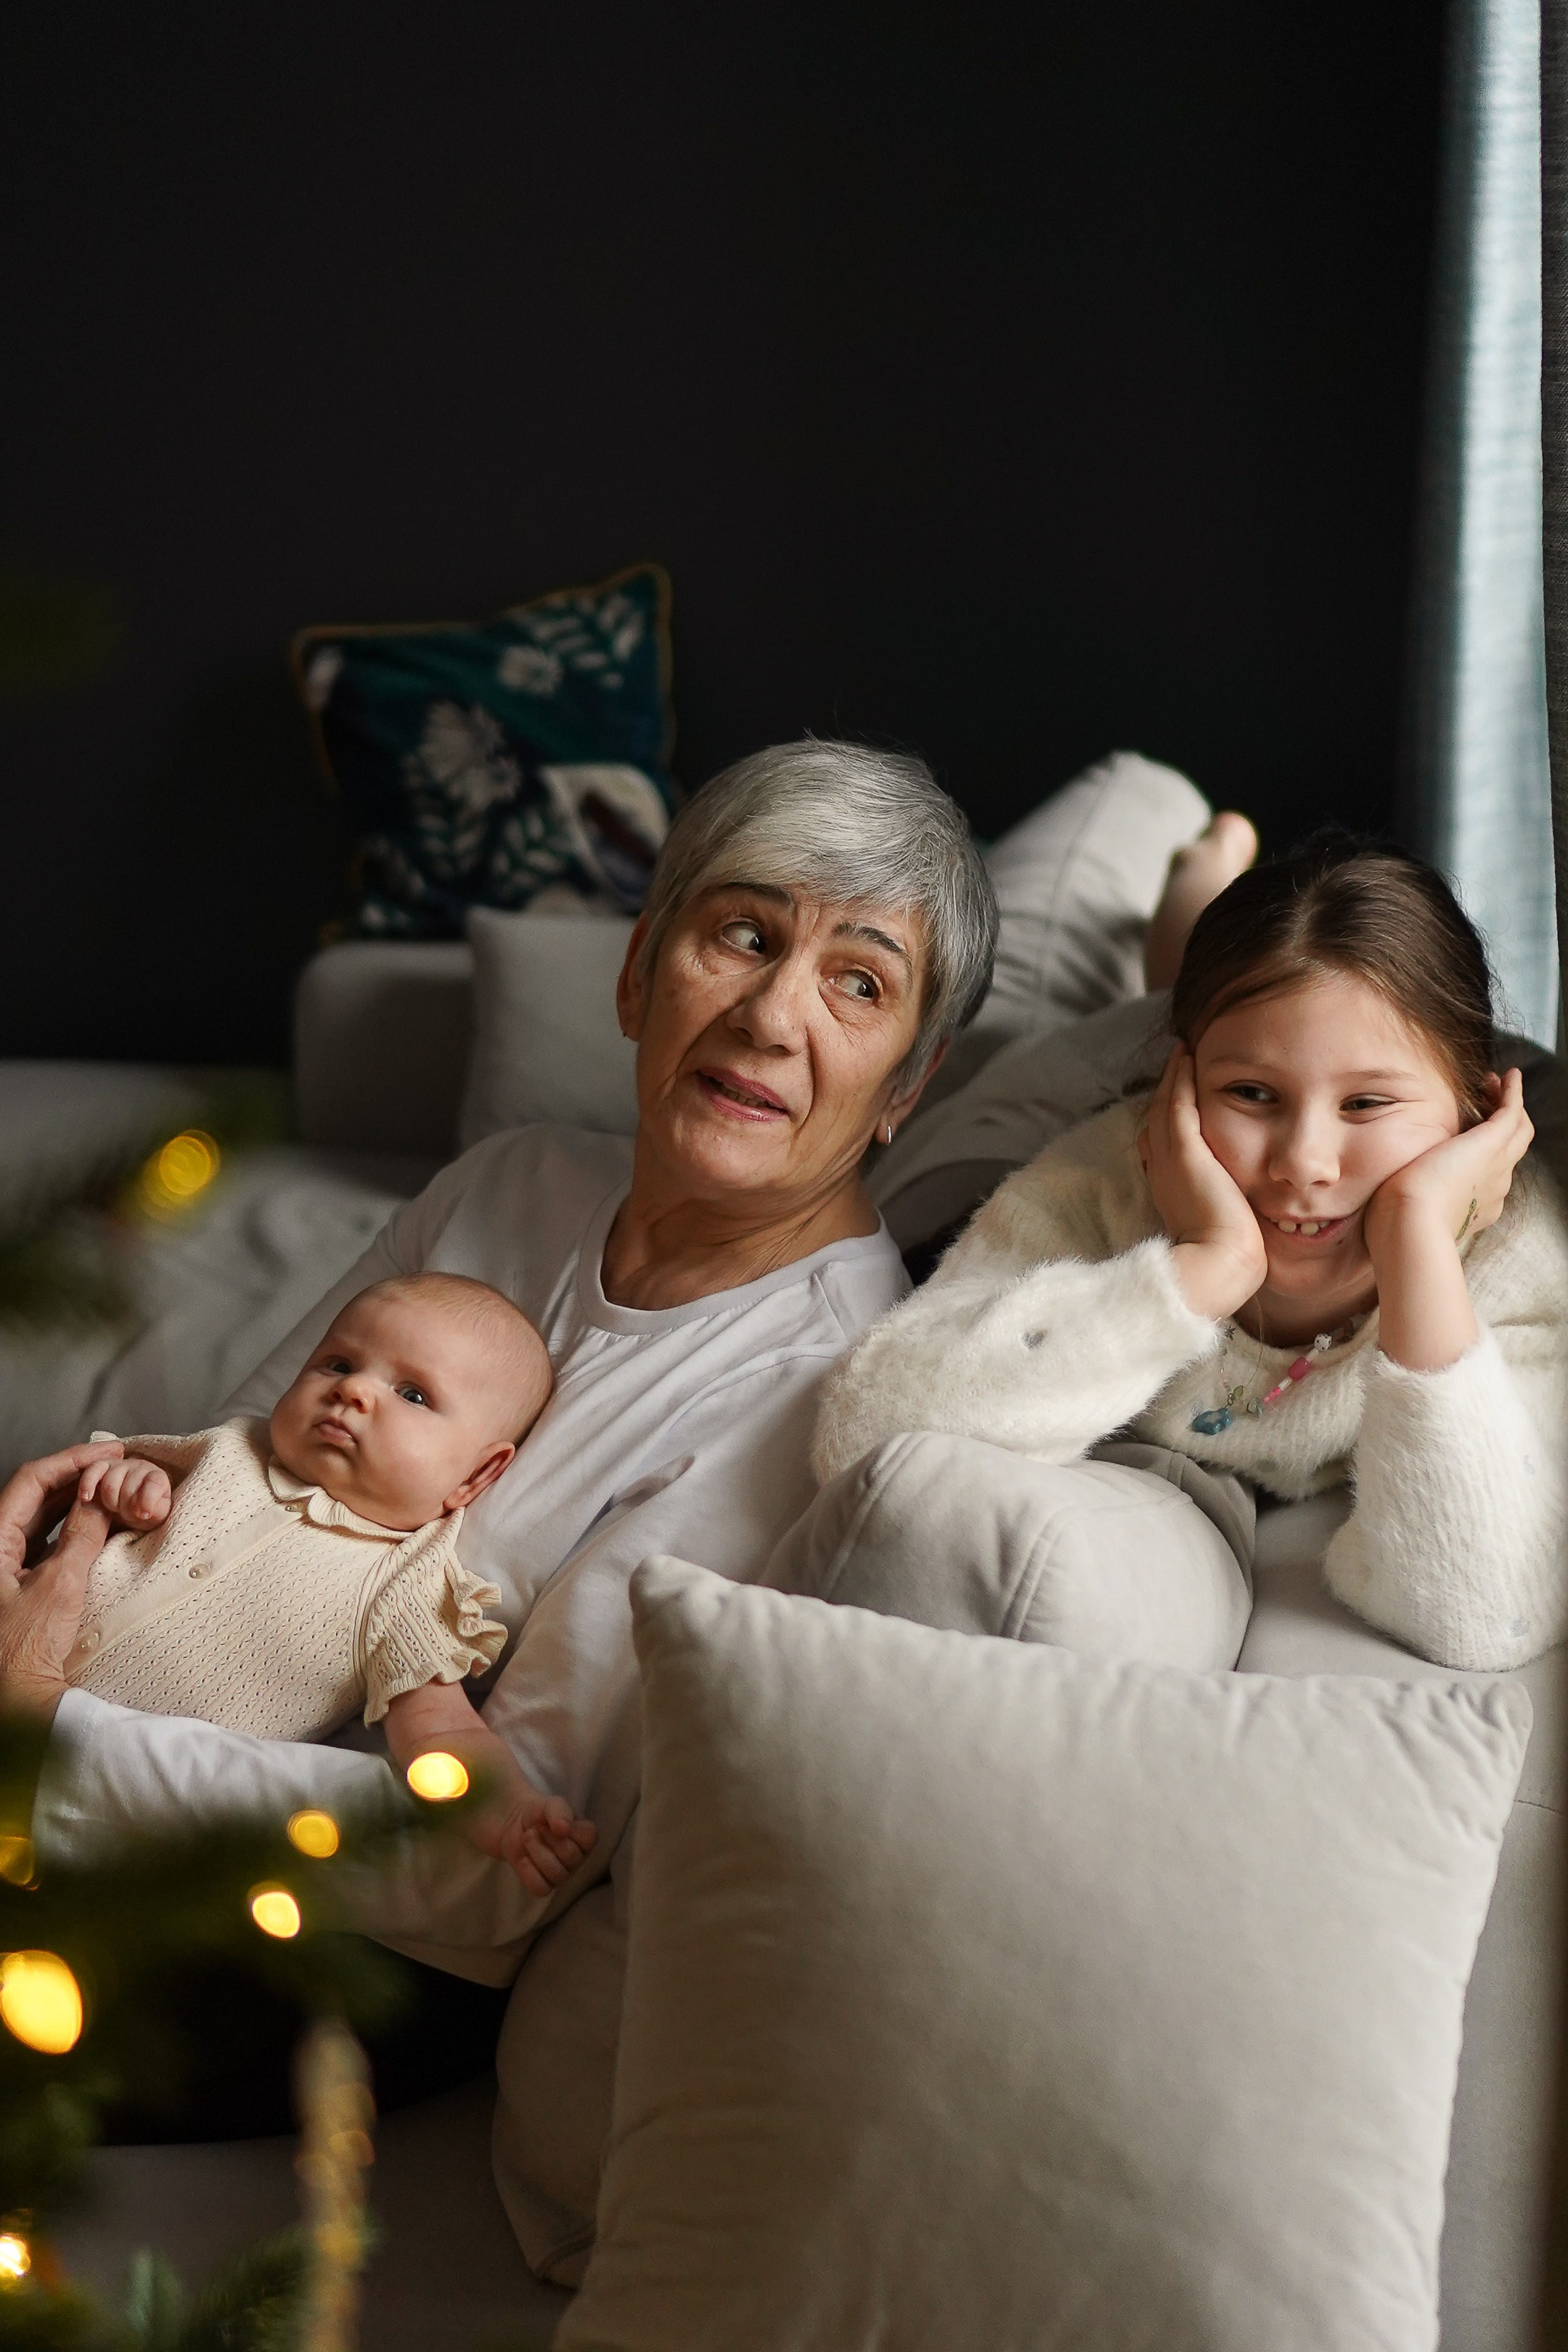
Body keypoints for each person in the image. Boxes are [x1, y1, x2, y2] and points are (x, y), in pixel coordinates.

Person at [0, 738, 1002, 2125]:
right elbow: (254, 1466)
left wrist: (45, 1737)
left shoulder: (815, 1386)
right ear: (641, 970)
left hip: (328, 1952)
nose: (777, 1018)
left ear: (907, 1085)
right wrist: (97, 1504)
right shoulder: (513, 1181)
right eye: (745, 935)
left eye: (859, 983)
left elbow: (477, 1870)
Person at [816, 832, 1568, 1671]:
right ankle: (1199, 882)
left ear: (1471, 1114)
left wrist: (1420, 1247)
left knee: (1235, 994)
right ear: (1186, 1088)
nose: (1303, 1165)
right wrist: (1203, 1271)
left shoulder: (1515, 1259)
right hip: (1059, 1088)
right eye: (1251, 1095)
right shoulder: (1111, 1173)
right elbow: (863, 1435)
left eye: (1365, 1104)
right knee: (1167, 1000)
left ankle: (1204, 905)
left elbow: (1484, 1615)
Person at [63, 1273, 597, 1895]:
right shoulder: (231, 1447)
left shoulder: (407, 1584)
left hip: (108, 1810)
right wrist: (130, 1490)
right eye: (338, 1362)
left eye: (414, 1395)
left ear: (477, 1475)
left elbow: (442, 1727)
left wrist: (505, 1811)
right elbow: (86, 1486)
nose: (354, 1390)